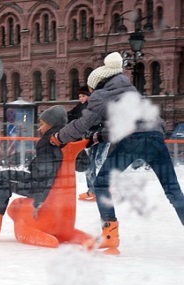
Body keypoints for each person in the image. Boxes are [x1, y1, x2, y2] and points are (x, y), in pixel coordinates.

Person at [50, 52, 184, 254]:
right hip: (156, 137)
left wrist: (60, 137)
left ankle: (110, 234)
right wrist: (97, 138)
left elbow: (82, 124)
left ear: (98, 83)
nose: (91, 93)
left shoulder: (100, 96)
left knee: (101, 183)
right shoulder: (132, 92)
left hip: (131, 140)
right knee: (173, 191)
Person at [0, 105, 68, 241]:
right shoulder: (67, 139)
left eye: (42, 124)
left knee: (3, 179)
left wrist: (39, 202)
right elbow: (83, 164)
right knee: (4, 176)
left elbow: (47, 176)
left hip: (39, 187)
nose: (39, 128)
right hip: (58, 188)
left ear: (51, 124)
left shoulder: (47, 142)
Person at [68, 85, 110, 202]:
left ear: (89, 96)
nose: (81, 98)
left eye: (83, 96)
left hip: (102, 137)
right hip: (90, 139)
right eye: (79, 96)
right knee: (89, 164)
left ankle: (105, 187)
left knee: (99, 161)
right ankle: (92, 191)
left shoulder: (96, 106)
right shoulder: (80, 107)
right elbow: (70, 115)